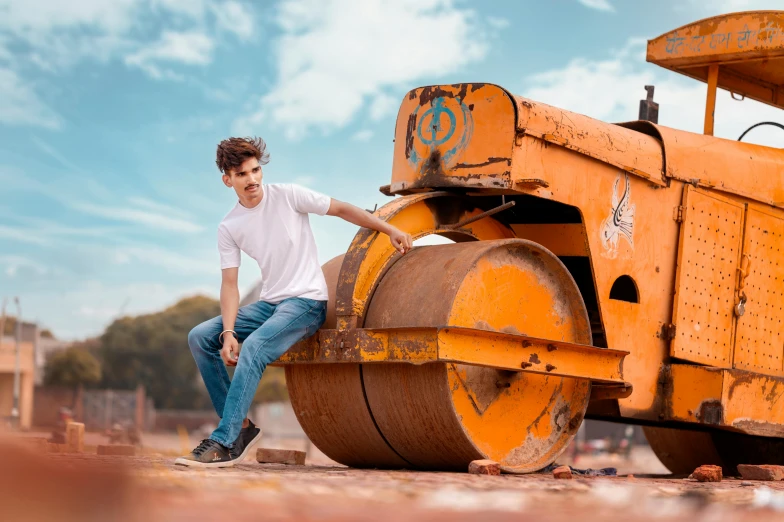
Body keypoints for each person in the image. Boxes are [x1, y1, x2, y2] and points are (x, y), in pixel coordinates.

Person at [175, 137, 412, 468]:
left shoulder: (288, 195)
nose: (253, 179)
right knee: (200, 336)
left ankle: (224, 441)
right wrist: (228, 332)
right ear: (227, 179)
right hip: (270, 304)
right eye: (242, 174)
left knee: (255, 346)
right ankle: (240, 429)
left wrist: (389, 229)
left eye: (256, 170)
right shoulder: (229, 226)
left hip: (305, 303)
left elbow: (342, 209)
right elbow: (230, 284)